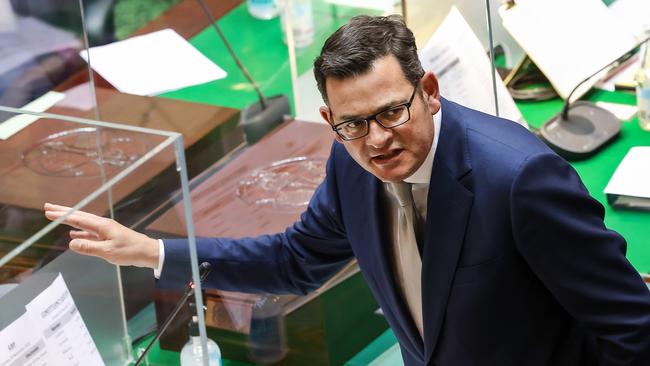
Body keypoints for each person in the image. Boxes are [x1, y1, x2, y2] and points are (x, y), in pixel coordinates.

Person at [44, 15, 650, 366]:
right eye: (352, 124)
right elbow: (294, 260)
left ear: (430, 91)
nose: (377, 140)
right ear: (330, 120)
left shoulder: (520, 180)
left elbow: (631, 326)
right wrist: (152, 252)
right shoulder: (351, 163)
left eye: (392, 113)